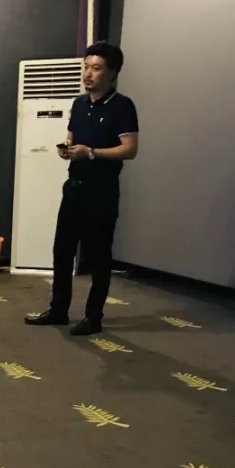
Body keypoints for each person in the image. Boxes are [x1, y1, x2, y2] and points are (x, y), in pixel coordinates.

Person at [25, 41, 139, 336]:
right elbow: (72, 135)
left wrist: (91, 152)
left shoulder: (122, 106)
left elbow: (130, 149)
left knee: (98, 256)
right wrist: (67, 148)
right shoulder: (79, 103)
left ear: (112, 73)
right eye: (86, 67)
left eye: (96, 68)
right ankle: (58, 309)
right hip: (74, 188)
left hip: (102, 192)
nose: (88, 74)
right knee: (62, 250)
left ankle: (93, 316)